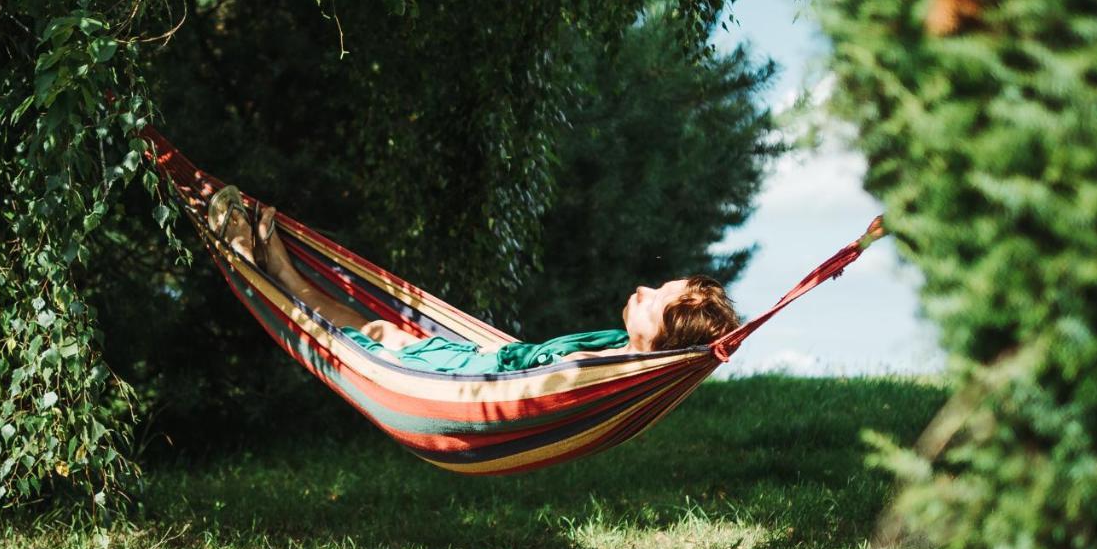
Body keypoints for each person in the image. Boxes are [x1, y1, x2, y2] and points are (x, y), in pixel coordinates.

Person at [207, 186, 740, 373]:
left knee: (372, 338)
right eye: (658, 286)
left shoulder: (618, 370)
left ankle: (266, 275)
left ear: (661, 345)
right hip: (479, 365)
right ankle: (281, 275)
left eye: (655, 302)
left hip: (470, 380)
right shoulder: (619, 351)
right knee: (377, 332)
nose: (644, 290)